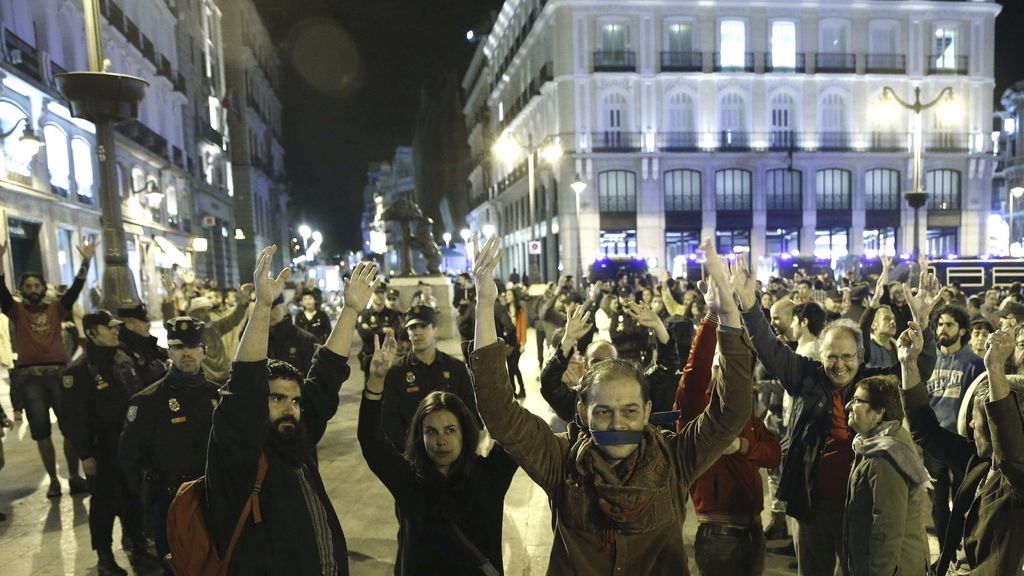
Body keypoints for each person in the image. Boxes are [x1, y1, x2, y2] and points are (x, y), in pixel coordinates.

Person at [469, 234, 754, 574]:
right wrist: (484, 305)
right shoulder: (561, 463)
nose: (617, 424)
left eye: (629, 411)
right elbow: (500, 413)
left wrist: (727, 316)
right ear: (582, 413)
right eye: (603, 412)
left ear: (647, 411)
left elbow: (730, 414)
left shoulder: (675, 459)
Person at [735, 260, 938, 576]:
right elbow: (770, 350)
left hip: (859, 506)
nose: (839, 365)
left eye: (847, 357)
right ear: (820, 355)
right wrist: (749, 307)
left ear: (860, 356)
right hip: (811, 502)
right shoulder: (806, 377)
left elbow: (915, 370)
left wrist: (923, 326)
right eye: (831, 356)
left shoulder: (874, 386)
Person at [202, 246, 373, 574]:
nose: (289, 408)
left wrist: (351, 310)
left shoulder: (295, 441)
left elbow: (324, 377)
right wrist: (262, 306)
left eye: (294, 401)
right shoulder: (239, 456)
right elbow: (244, 385)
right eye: (277, 398)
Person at [359, 334, 519, 574]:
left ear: (465, 432)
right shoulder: (409, 482)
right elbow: (371, 441)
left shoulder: (489, 475)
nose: (441, 440)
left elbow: (512, 426)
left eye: (450, 430)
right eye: (431, 432)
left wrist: (485, 307)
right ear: (419, 436)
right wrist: (376, 380)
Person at [675, 245, 782, 575]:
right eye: (725, 367)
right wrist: (712, 317)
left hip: (753, 529)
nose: (733, 374)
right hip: (718, 534)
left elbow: (774, 452)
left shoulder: (747, 417)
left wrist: (743, 447)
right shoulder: (697, 411)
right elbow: (695, 371)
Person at [899, 323, 1024, 575]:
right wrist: (909, 364)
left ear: (993, 423)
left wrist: (994, 367)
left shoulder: (1018, 478)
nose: (968, 424)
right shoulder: (977, 461)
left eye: (976, 418)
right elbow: (926, 431)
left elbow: (1010, 447)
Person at [119, 317, 220, 571]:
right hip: (170, 499)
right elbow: (129, 455)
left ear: (203, 350)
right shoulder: (148, 401)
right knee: (176, 566)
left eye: (193, 346)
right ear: (170, 352)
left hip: (214, 494)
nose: (186, 353)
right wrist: (146, 495)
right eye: (178, 347)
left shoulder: (218, 396)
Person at [0, 240, 93, 498]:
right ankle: (53, 480)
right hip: (31, 380)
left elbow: (75, 289)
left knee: (70, 429)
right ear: (21, 289)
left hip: (59, 376)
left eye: (36, 285)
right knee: (41, 432)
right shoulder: (15, 311)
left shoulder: (56, 309)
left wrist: (86, 262)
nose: (32, 289)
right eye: (28, 286)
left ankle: (74, 477)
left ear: (43, 288)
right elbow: (0, 291)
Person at [60, 310, 150, 575]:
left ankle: (138, 547)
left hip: (129, 447)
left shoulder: (122, 357)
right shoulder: (77, 372)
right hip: (102, 449)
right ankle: (105, 557)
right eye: (108, 328)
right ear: (91, 333)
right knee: (104, 503)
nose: (115, 331)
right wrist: (85, 455)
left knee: (134, 497)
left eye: (115, 327)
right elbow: (71, 419)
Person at [842, 375, 929, 576]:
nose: (848, 406)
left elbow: (887, 530)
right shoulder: (874, 443)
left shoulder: (885, 458)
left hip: (895, 568)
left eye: (857, 401)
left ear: (879, 412)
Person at [925, 304, 986, 542]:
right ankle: (944, 555)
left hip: (962, 441)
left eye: (949, 324)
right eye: (940, 324)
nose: (943, 329)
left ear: (962, 330)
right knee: (938, 506)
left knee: (964, 502)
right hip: (934, 441)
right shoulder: (929, 360)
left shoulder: (973, 363)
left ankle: (961, 552)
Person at [381, 304, 479, 448]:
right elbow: (390, 419)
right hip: (412, 454)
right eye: (412, 328)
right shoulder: (397, 372)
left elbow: (470, 412)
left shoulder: (455, 368)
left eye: (423, 326)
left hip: (452, 450)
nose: (417, 332)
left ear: (435, 330)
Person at [183, 288, 251, 384]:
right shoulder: (189, 334)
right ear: (194, 314)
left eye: (207, 310)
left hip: (223, 377)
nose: (207, 314)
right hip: (205, 380)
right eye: (202, 310)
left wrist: (243, 303)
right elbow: (169, 326)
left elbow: (233, 319)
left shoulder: (214, 328)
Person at [356, 284, 401, 383]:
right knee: (369, 388)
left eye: (382, 292)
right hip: (369, 357)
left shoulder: (393, 314)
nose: (380, 295)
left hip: (388, 358)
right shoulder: (364, 314)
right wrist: (383, 330)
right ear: (372, 294)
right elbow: (364, 335)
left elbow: (395, 334)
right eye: (377, 292)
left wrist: (373, 330)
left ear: (385, 294)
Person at [116, 304, 168, 387]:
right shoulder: (122, 349)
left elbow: (163, 354)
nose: (149, 324)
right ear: (129, 325)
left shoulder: (147, 342)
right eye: (144, 321)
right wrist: (160, 369)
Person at [268, 293, 319, 376]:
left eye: (272, 308)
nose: (268, 313)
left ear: (285, 309)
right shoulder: (260, 339)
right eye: (264, 308)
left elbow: (313, 378)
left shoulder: (306, 340)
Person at [504, 288, 528, 398]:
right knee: (511, 367)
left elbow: (523, 327)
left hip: (517, 343)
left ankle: (518, 390)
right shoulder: (504, 310)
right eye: (506, 294)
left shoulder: (520, 310)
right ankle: (517, 391)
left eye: (509, 294)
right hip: (507, 343)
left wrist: (523, 343)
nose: (507, 296)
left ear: (513, 296)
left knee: (513, 366)